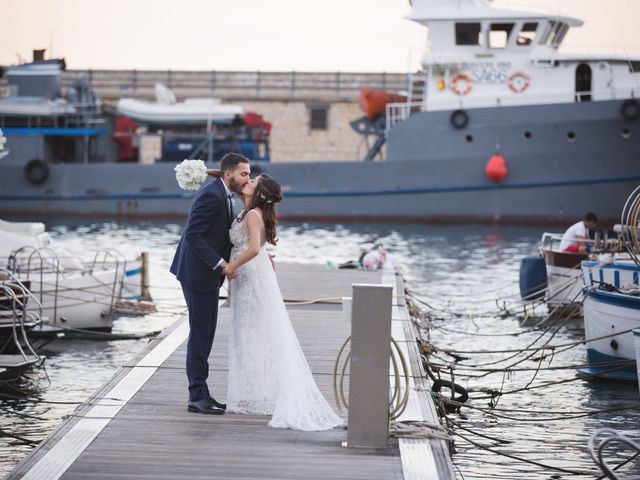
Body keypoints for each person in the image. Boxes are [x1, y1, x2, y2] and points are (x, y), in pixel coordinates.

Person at [222, 173, 343, 431]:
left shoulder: (254, 215)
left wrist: (232, 265)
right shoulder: (249, 212)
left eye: (252, 181)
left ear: (259, 192)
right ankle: (250, 392)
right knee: (247, 333)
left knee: (250, 334)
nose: (247, 182)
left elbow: (254, 248)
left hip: (251, 277)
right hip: (248, 276)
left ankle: (251, 394)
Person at [170, 152, 250, 415]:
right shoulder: (211, 195)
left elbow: (227, 175)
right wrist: (221, 264)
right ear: (229, 175)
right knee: (200, 335)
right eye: (244, 174)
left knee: (207, 334)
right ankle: (196, 396)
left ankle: (203, 392)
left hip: (206, 275)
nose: (247, 179)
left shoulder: (222, 190)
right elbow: (193, 234)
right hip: (197, 273)